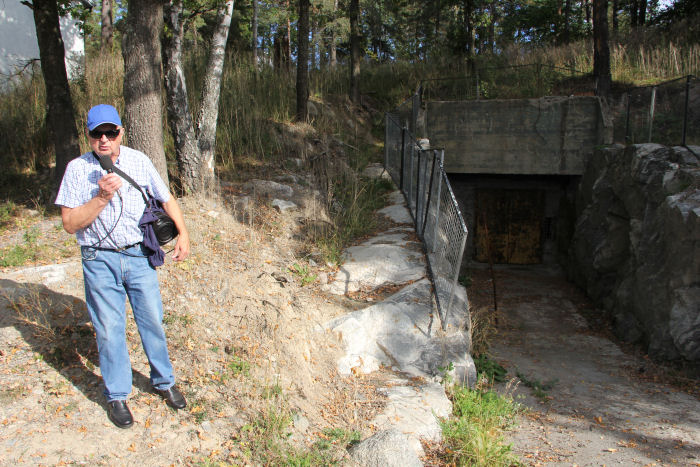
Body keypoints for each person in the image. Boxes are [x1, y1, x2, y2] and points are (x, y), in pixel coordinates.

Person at [55, 104, 191, 429]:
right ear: (88, 136)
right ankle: (117, 394)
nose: (104, 139)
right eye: (96, 134)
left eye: (110, 132)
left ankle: (164, 381)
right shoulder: (76, 170)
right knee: (109, 329)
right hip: (98, 259)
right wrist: (100, 198)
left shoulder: (139, 161)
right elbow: (70, 224)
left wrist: (183, 233)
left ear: (120, 133)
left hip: (138, 256)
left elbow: (166, 197)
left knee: (152, 321)